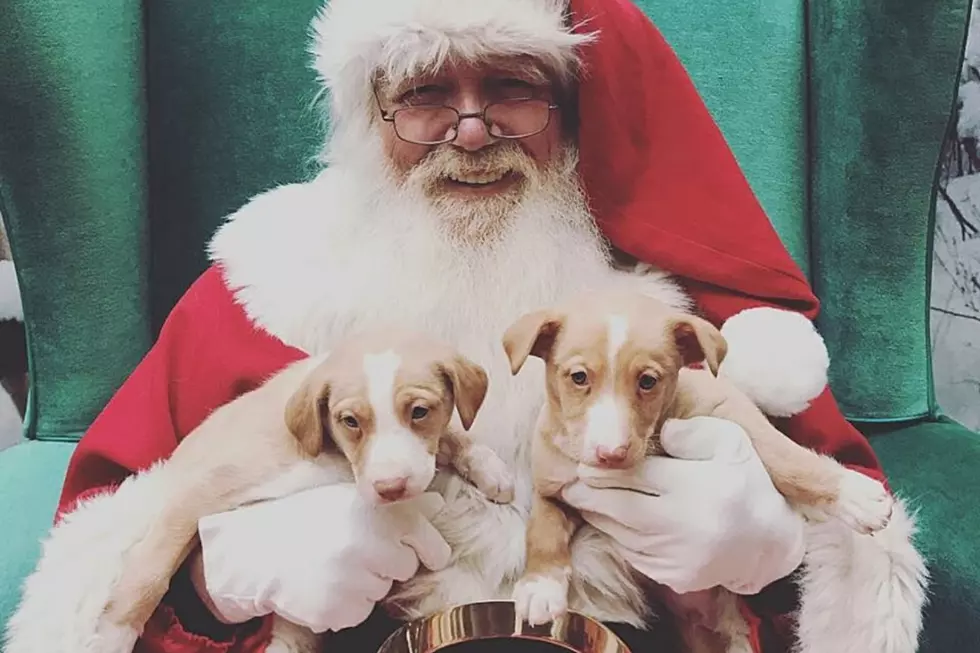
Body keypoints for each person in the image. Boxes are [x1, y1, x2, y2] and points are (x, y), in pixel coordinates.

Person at [3, 0, 927, 652]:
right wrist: (224, 579)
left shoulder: (669, 310)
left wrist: (768, 548)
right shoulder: (264, 286)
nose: (472, 130)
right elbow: (105, 545)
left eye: (513, 87)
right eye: (424, 94)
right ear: (372, 118)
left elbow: (852, 540)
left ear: (570, 112)